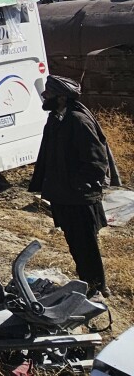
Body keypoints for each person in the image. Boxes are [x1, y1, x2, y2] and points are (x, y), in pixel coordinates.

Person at [30, 75, 120, 297]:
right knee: (75, 244)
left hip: (79, 199)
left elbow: (97, 162)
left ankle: (98, 289)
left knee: (87, 246)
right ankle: (86, 284)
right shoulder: (55, 119)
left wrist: (76, 186)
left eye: (48, 94)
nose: (44, 96)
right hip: (63, 197)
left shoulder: (79, 121)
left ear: (61, 98)